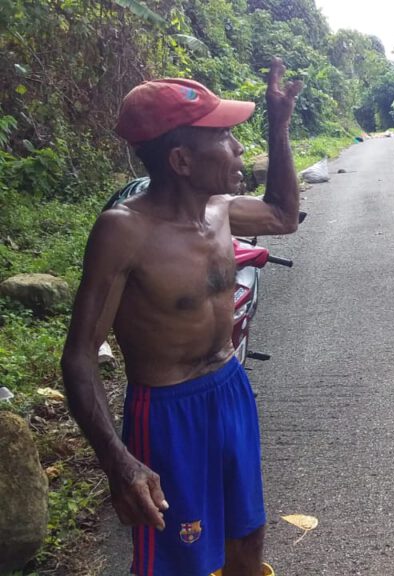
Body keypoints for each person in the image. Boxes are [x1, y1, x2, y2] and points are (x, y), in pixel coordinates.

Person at [61, 58, 303, 576]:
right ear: (181, 160)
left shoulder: (218, 207)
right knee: (183, 558)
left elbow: (283, 215)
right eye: (224, 137)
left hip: (230, 389)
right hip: (167, 414)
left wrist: (278, 127)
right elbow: (80, 356)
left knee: (248, 531)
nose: (239, 149)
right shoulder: (124, 232)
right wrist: (118, 460)